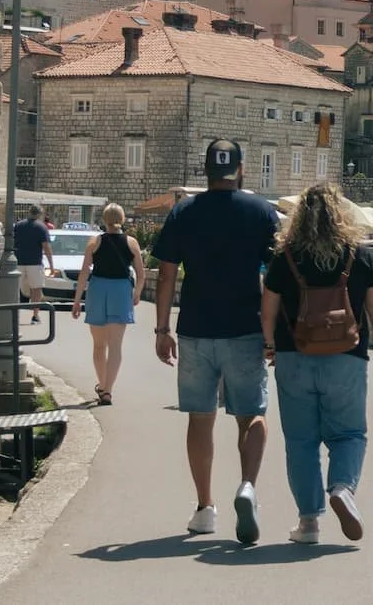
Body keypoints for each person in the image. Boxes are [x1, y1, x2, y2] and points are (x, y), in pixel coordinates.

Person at [153, 139, 279, 544]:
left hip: (195, 328)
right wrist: (273, 333)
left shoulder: (183, 212)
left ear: (204, 172)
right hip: (245, 328)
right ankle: (247, 486)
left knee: (200, 418)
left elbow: (167, 274)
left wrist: (161, 329)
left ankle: (205, 508)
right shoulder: (261, 212)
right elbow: (276, 280)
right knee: (252, 414)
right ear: (240, 170)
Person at [261, 181, 373, 545]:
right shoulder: (359, 256)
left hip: (294, 356)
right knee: (349, 434)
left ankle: (308, 524)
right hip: (346, 357)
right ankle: (342, 489)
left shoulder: (285, 257)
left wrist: (270, 344)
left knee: (301, 441)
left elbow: (268, 307)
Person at [72, 202, 145, 405]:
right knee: (115, 346)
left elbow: (84, 272)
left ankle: (102, 384)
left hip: (98, 289)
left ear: (104, 219)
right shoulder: (132, 243)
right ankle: (108, 390)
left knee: (98, 345)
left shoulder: (94, 242)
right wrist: (137, 293)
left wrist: (77, 300)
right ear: (122, 219)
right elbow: (141, 274)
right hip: (121, 291)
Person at [12, 205, 55, 324]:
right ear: (40, 214)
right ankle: (35, 316)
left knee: (16, 289)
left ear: (29, 213)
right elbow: (46, 247)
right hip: (35, 263)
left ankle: (14, 315)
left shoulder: (18, 225)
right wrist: (51, 266)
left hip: (18, 261)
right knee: (36, 290)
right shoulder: (41, 227)